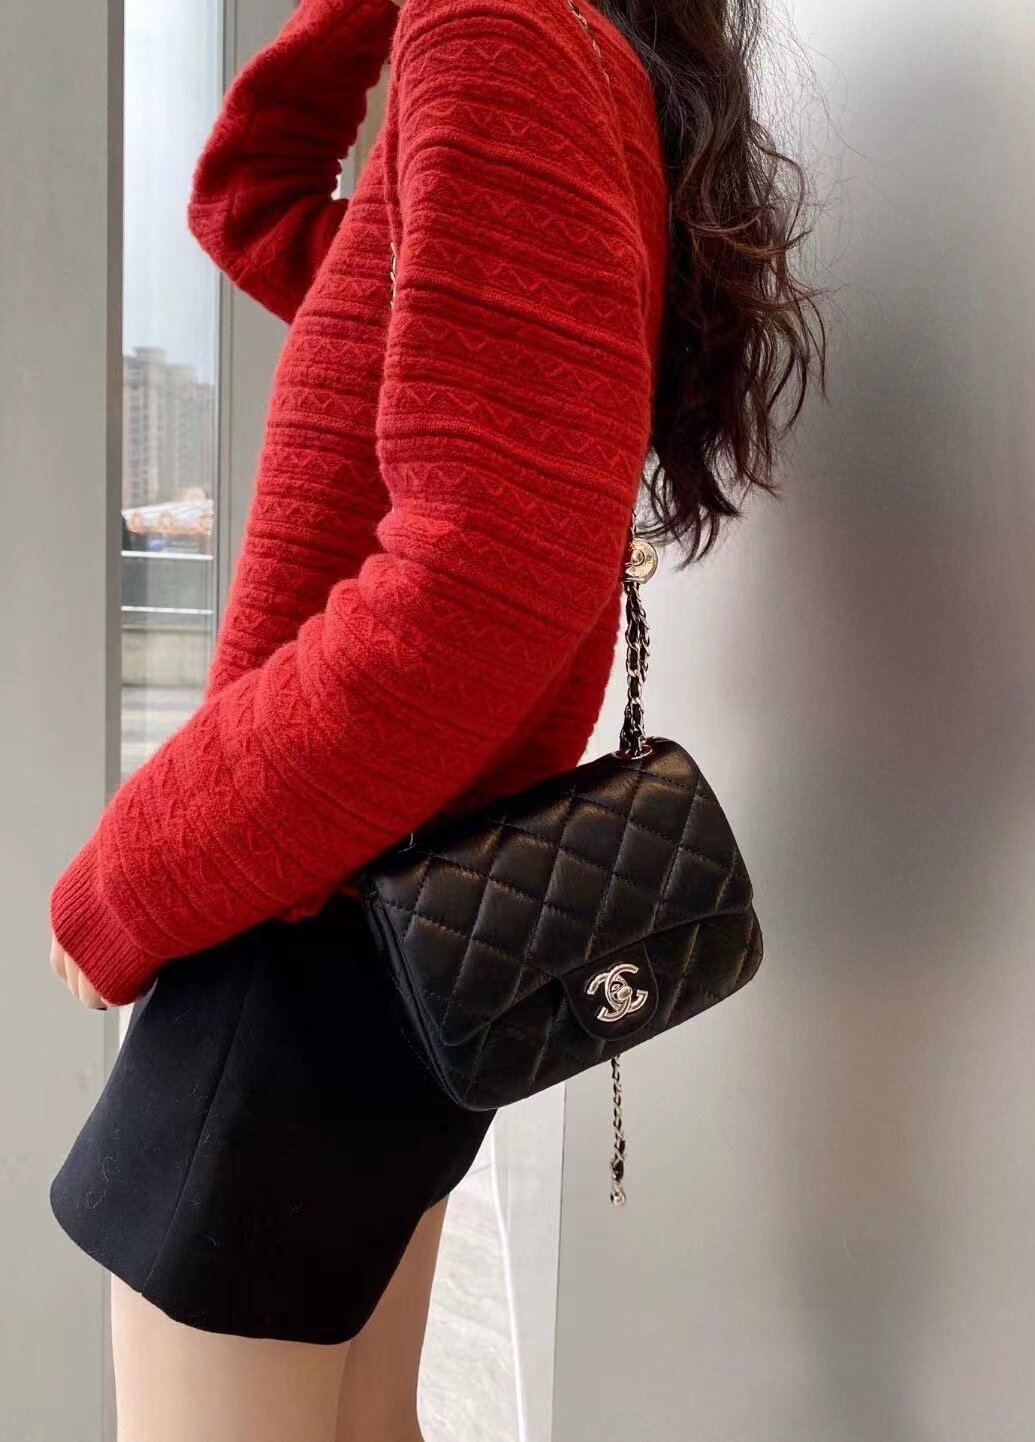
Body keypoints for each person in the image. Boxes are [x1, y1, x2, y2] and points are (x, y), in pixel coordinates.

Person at [47, 0, 823, 1435]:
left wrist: (133, 874)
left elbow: (473, 588)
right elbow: (252, 199)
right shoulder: (552, 58)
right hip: (396, 938)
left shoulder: (501, 33)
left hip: (300, 929)